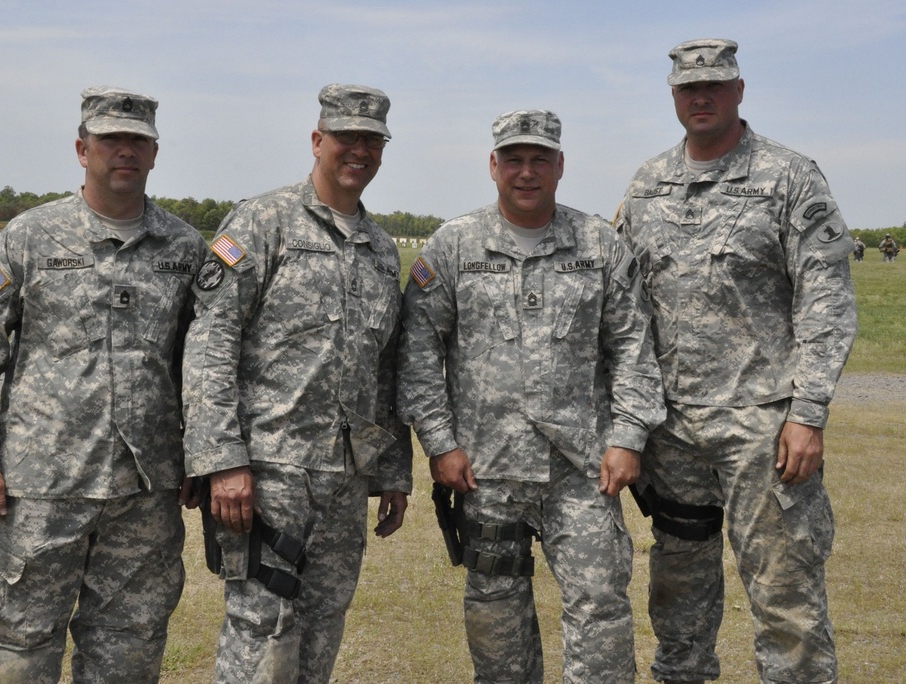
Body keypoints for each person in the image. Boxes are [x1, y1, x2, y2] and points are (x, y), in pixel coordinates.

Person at [0, 86, 210, 682]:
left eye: (138, 141)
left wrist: (205, 454)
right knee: (19, 652)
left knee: (129, 656)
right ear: (82, 149)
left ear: (155, 153)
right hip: (38, 490)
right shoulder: (30, 236)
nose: (125, 151)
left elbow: (206, 364)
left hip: (144, 494)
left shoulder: (185, 248)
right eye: (111, 139)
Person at [614, 39, 858, 684]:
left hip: (766, 428)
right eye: (689, 89)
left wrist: (807, 413)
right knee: (678, 594)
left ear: (739, 91)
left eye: (715, 86)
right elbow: (623, 309)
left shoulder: (789, 176)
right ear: (673, 97)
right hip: (674, 432)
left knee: (786, 594)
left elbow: (826, 300)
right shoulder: (647, 184)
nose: (702, 97)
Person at [399, 110, 665, 683]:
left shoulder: (599, 244)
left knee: (600, 612)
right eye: (514, 159)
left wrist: (628, 437)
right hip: (485, 472)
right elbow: (418, 352)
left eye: (539, 159)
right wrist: (440, 443)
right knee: (496, 626)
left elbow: (633, 349)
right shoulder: (453, 246)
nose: (526, 172)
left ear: (560, 166)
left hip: (584, 469)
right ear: (493, 166)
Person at [181, 83, 412, 683]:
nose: (358, 150)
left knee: (322, 629)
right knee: (263, 632)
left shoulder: (382, 250)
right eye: (345, 138)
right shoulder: (262, 223)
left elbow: (385, 366)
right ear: (317, 141)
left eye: (371, 140)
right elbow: (211, 340)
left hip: (344, 479)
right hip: (268, 470)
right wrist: (222, 459)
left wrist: (392, 471)